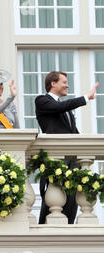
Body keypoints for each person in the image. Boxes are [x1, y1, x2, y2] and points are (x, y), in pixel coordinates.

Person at [35, 71, 99, 224]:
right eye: (64, 82)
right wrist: (85, 98)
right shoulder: (42, 101)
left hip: (72, 160)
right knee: (52, 203)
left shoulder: (67, 111)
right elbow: (59, 106)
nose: (67, 85)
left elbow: (73, 133)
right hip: (55, 160)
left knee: (72, 201)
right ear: (53, 83)